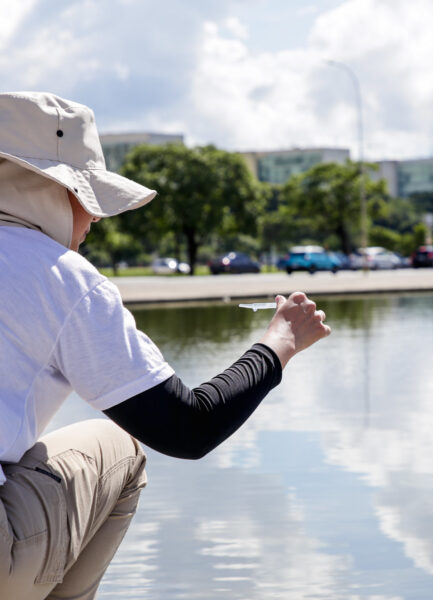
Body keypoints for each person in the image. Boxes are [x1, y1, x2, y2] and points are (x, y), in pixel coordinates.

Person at [0, 91, 331, 600]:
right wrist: (280, 341)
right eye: (87, 199)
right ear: (50, 191)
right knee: (121, 451)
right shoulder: (58, 277)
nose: (95, 221)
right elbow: (188, 428)